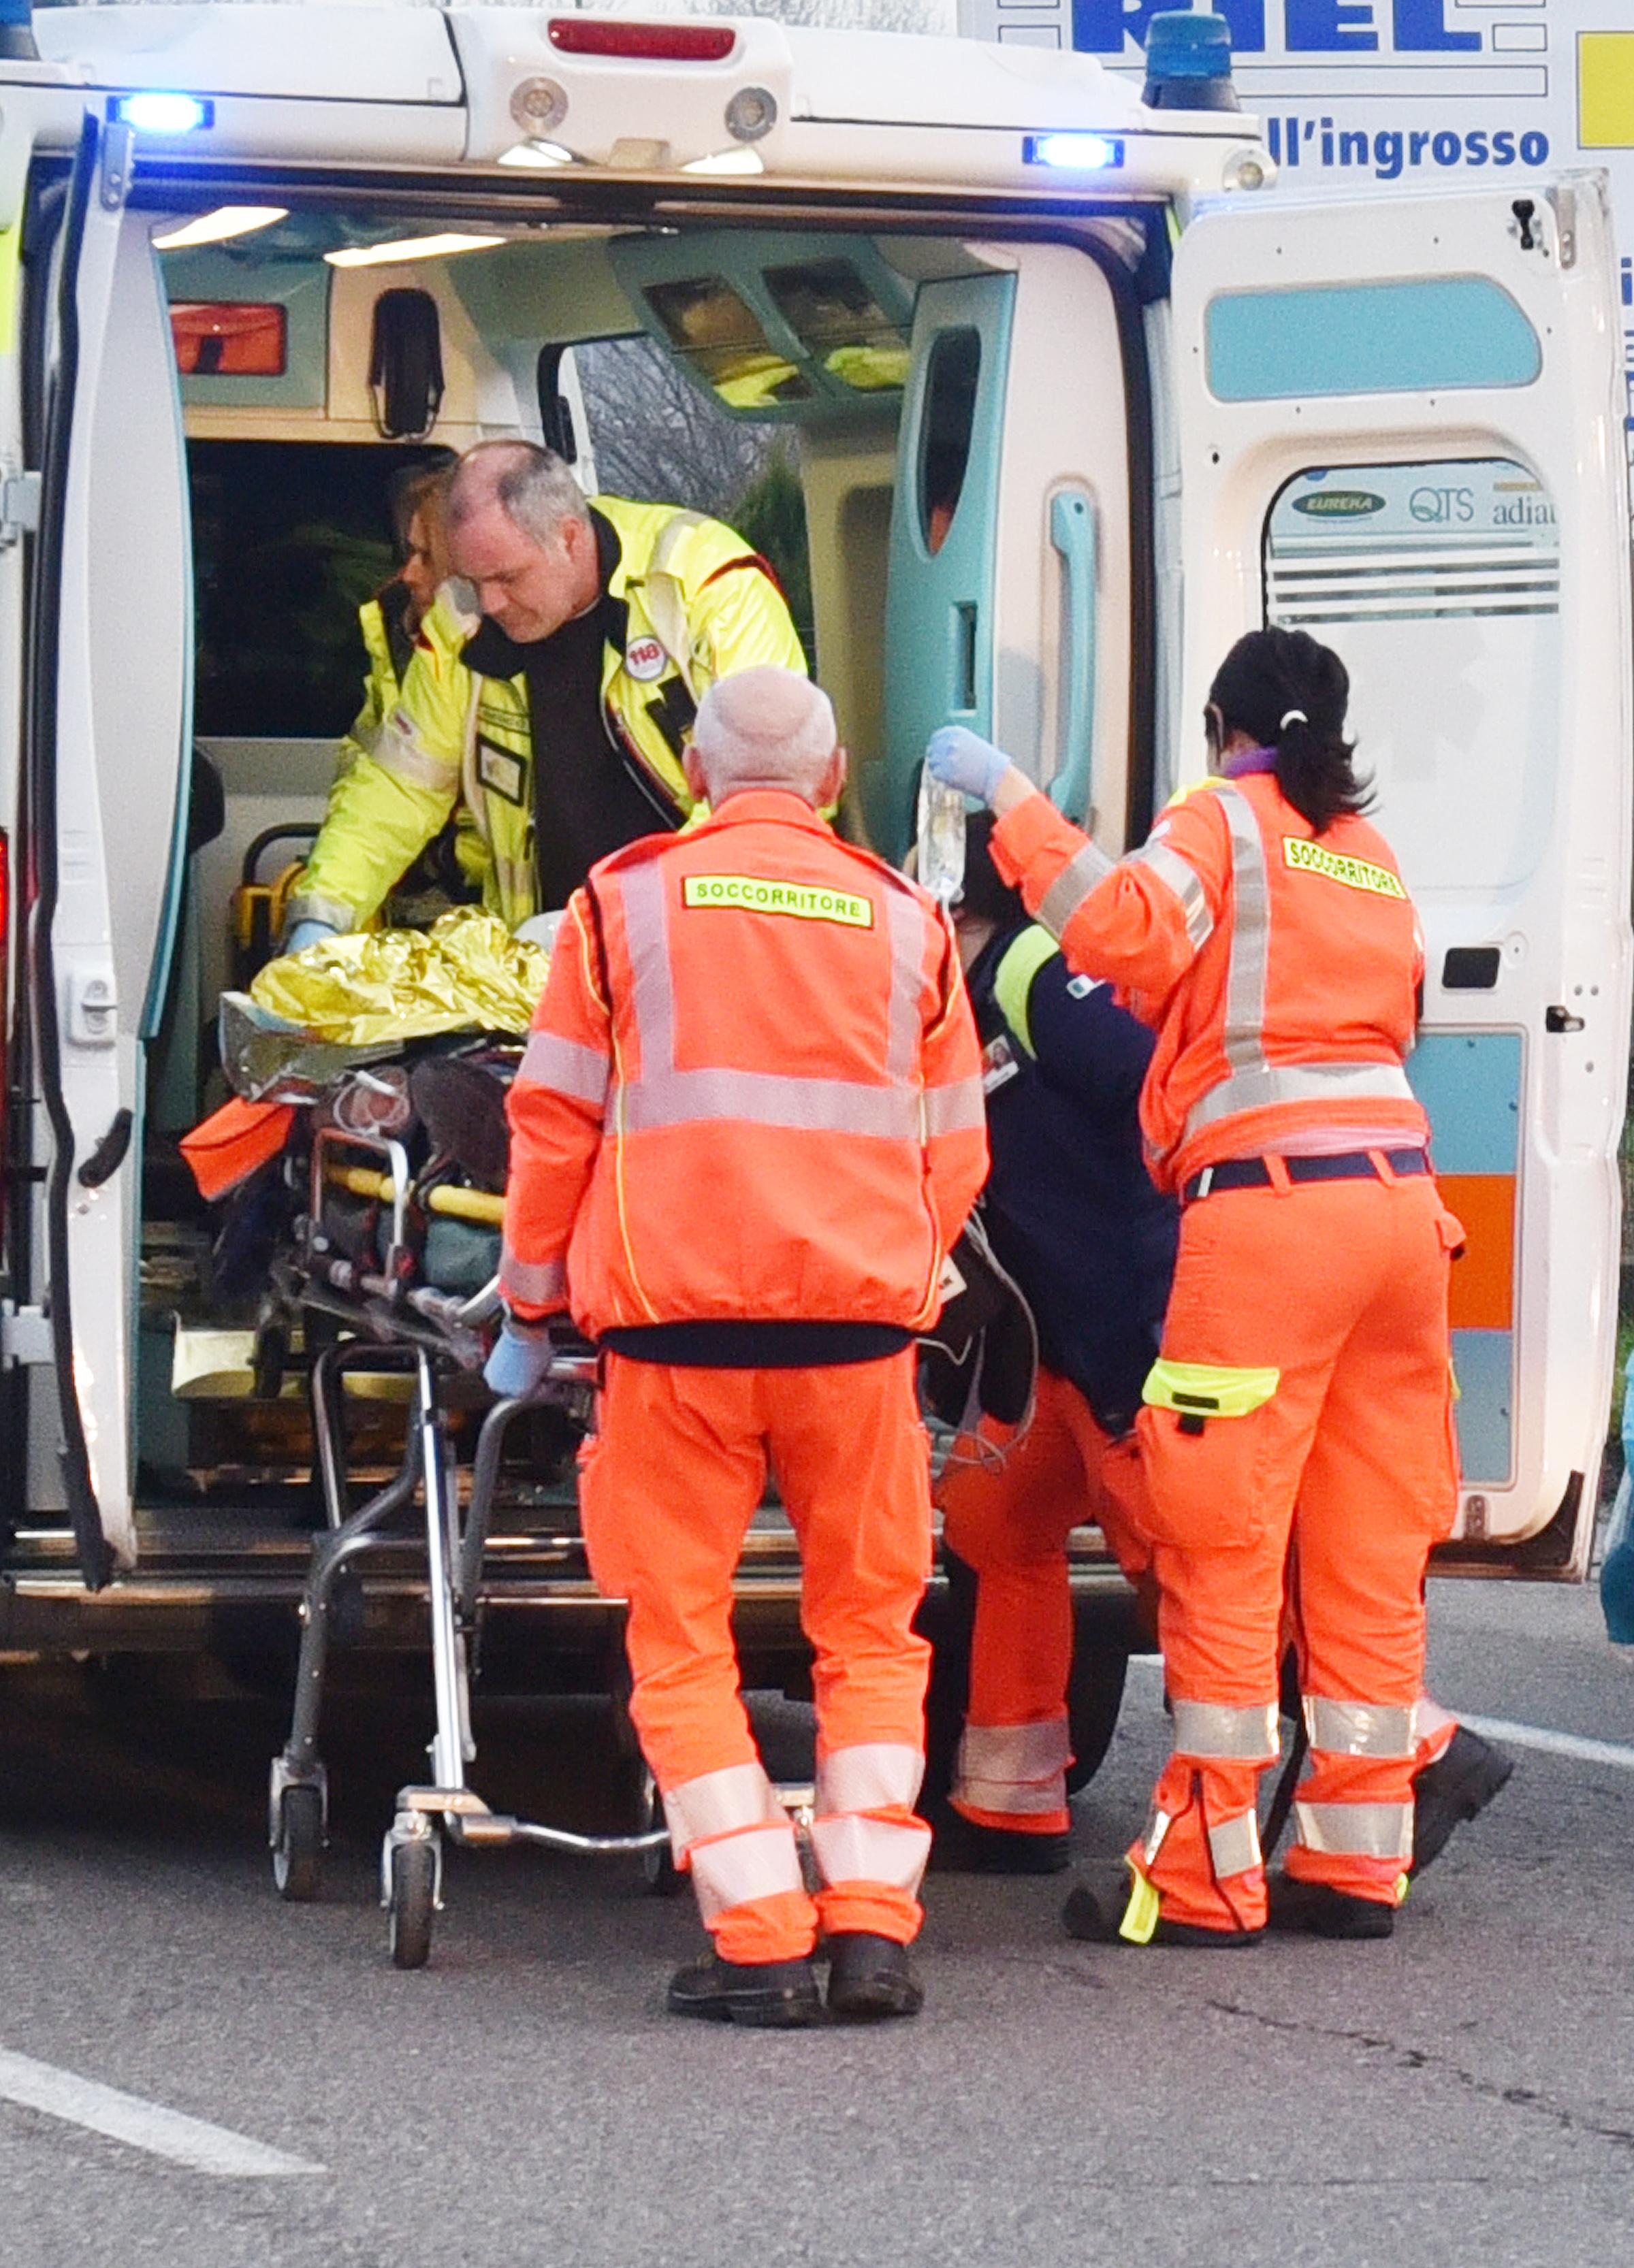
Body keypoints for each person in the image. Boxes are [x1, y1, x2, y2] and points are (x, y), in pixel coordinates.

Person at [927, 626, 1481, 1946]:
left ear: (1221, 716)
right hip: (1402, 1214)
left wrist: (1009, 799)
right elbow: (1394, 1014)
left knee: (1222, 1537)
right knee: (1359, 1547)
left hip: (1270, 1219)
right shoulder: (1368, 852)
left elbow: (1120, 934)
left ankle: (1204, 1882)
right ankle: (1353, 1865)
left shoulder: (1223, 818)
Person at [486, 667, 987, 2025]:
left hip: (676, 1341)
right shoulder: (905, 924)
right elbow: (955, 1150)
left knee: (682, 1637)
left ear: (695, 778)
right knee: (873, 1634)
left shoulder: (621, 904)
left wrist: (532, 1308)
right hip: (858, 1344)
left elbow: (553, 1128)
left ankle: (759, 1935)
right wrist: (878, 1258)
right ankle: (874, 1924)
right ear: (832, 786)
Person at [284, 440, 807, 950]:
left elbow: (764, 794)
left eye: (508, 577)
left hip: (704, 951)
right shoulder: (461, 622)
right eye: (473, 579)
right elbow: (399, 789)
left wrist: (633, 919)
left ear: (571, 538)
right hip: (549, 970)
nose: (490, 602)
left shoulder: (705, 587)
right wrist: (322, 918)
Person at [932, 816, 1175, 1871]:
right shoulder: (982, 987)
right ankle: (1011, 1805)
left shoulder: (1034, 965)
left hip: (1115, 1318)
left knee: (1183, 1563)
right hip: (1060, 1331)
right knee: (994, 1521)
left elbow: (1139, 1079)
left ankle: (1415, 1745)